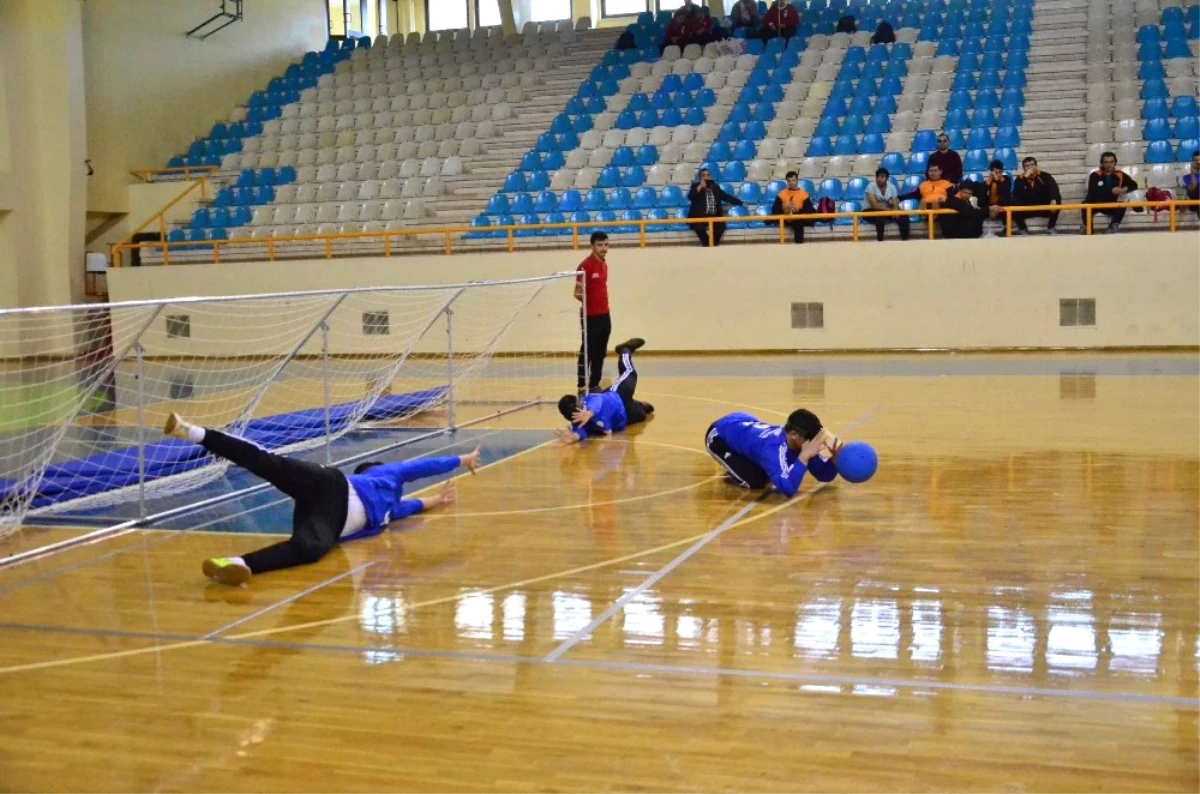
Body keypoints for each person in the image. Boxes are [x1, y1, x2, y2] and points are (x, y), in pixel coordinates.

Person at [162, 413, 482, 585]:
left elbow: (412, 506)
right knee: (269, 464)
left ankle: (235, 564)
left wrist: (437, 500)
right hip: (332, 487)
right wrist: (461, 459)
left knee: (309, 550)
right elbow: (422, 466)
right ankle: (194, 432)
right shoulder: (386, 475)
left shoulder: (390, 510)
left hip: (329, 520)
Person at [704, 409, 841, 498]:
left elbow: (824, 475)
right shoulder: (773, 448)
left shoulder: (802, 441)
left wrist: (834, 460)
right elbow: (787, 489)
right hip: (719, 435)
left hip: (743, 422)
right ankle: (731, 467)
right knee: (756, 482)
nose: (813, 443)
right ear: (794, 434)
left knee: (767, 470)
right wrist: (804, 457)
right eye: (811, 440)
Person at [555, 337, 654, 444]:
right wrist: (574, 437)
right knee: (644, 413)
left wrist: (590, 413)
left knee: (630, 373)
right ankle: (639, 405)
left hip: (618, 394)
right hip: (625, 415)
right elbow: (581, 432)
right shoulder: (578, 423)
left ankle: (625, 350)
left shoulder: (589, 400)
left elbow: (597, 401)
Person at [575, 231, 611, 395]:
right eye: (600, 245)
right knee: (588, 351)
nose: (603, 248)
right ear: (592, 246)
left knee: (601, 352)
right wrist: (589, 302)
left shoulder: (604, 264)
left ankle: (595, 383)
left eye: (606, 245)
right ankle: (582, 386)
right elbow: (577, 292)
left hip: (605, 315)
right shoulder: (584, 266)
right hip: (590, 317)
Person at [1081, 150, 1137, 234]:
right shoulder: (1095, 175)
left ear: (1115, 163)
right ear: (1102, 163)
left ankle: (1113, 226)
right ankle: (1088, 230)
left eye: (1111, 162)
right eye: (1106, 162)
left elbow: (1134, 184)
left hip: (1110, 204)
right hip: (1096, 203)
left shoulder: (1120, 174)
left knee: (1122, 205)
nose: (1109, 165)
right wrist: (1112, 191)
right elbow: (1093, 191)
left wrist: (1125, 189)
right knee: (1084, 204)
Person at [687, 166, 743, 247]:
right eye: (704, 175)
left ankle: (711, 244)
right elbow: (690, 197)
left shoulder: (715, 187)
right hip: (700, 216)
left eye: (708, 175)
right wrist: (700, 187)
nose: (706, 177)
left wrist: (741, 203)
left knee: (721, 226)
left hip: (714, 215)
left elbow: (726, 197)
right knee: (698, 227)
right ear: (700, 177)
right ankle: (707, 245)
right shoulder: (695, 186)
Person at [1011, 156, 1062, 235]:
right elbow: (1016, 193)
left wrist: (1053, 199)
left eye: (1031, 165)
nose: (1029, 167)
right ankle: (1022, 229)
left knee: (1057, 199)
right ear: (1023, 168)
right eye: (1026, 166)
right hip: (1027, 208)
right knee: (1013, 201)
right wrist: (1025, 178)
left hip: (1043, 207)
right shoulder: (1020, 179)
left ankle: (1051, 227)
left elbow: (1053, 187)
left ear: (1036, 166)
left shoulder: (1045, 176)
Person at [769, 171, 816, 243]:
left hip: (798, 217)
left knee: (799, 224)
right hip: (785, 217)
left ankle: (798, 247)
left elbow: (810, 210)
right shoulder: (781, 194)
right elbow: (774, 210)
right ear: (787, 182)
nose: (791, 182)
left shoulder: (804, 194)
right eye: (789, 181)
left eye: (793, 180)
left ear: (797, 180)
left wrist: (798, 210)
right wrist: (785, 209)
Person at [864, 167, 910, 240]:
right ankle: (880, 242)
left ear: (887, 178)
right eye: (877, 176)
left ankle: (905, 241)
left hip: (887, 211)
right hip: (870, 211)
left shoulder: (892, 187)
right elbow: (875, 206)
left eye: (882, 176)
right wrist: (892, 211)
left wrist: (896, 211)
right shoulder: (870, 186)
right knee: (880, 216)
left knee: (903, 216)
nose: (879, 179)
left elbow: (895, 204)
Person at [981, 160, 1013, 236]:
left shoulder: (1007, 179)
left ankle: (1007, 229)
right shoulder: (987, 182)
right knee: (980, 205)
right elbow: (981, 198)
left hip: (1002, 205)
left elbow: (1005, 193)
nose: (998, 175)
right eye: (995, 173)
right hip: (991, 207)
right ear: (991, 172)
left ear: (1002, 172)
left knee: (1010, 200)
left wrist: (998, 181)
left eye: (1000, 172)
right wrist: (991, 208)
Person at [1181, 149, 1200, 221]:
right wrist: (1192, 173)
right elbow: (1192, 188)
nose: (1198, 162)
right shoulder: (1186, 178)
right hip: (1194, 203)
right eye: (1195, 160)